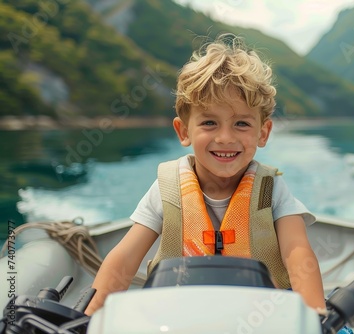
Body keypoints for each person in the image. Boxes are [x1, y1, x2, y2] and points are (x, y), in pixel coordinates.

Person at [84, 33, 325, 316]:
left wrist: (314, 315)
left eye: (241, 124)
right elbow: (124, 260)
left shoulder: (272, 189)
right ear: (184, 131)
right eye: (209, 122)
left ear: (263, 132)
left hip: (257, 318)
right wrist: (89, 318)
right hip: (179, 317)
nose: (225, 137)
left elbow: (297, 253)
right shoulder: (167, 189)